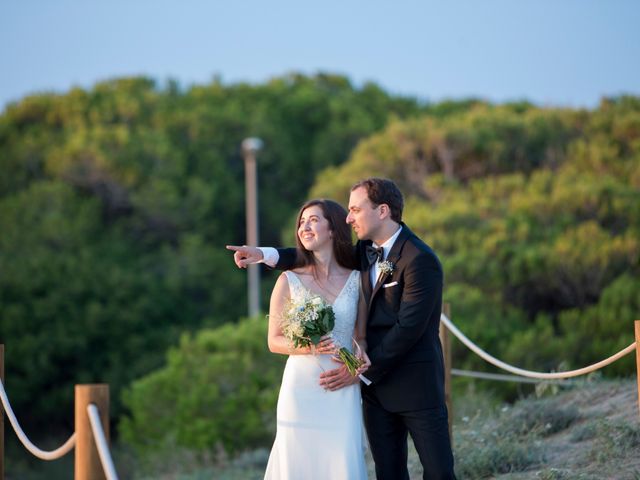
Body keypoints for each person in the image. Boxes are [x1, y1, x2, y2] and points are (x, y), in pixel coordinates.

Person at [228, 178, 456, 480]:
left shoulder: (420, 260)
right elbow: (313, 256)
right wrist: (264, 254)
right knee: (388, 474)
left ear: (383, 211)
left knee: (439, 473)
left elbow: (408, 329)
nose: (349, 218)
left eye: (355, 210)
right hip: (372, 394)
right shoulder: (362, 251)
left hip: (414, 386)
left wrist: (360, 370)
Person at [261, 198, 370, 480]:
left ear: (333, 229)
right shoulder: (288, 279)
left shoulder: (357, 280)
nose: (304, 227)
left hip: (342, 384)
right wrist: (308, 345)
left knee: (341, 461)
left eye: (313, 220)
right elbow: (273, 340)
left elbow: (361, 336)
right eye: (301, 222)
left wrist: (355, 368)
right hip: (301, 388)